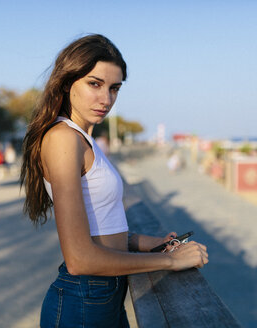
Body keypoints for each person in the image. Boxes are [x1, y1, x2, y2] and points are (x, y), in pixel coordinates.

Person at [20, 34, 208, 328]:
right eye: (94, 84)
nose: (106, 99)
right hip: (83, 300)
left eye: (114, 88)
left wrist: (156, 244)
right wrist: (171, 261)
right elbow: (80, 259)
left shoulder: (85, 140)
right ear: (68, 82)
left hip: (103, 297)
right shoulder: (62, 139)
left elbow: (105, 227)